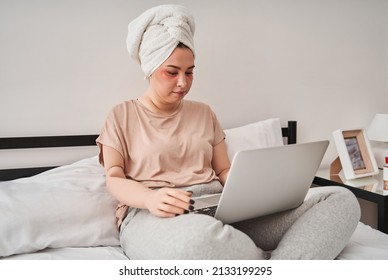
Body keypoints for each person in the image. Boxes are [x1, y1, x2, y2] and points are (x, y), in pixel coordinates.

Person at [96, 4, 360, 260]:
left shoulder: (204, 112)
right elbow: (114, 178)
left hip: (219, 208)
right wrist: (150, 198)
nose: (182, 82)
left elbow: (223, 171)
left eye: (190, 72)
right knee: (199, 243)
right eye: (172, 72)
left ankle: (269, 263)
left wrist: (255, 194)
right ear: (149, 69)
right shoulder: (121, 115)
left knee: (340, 200)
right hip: (154, 214)